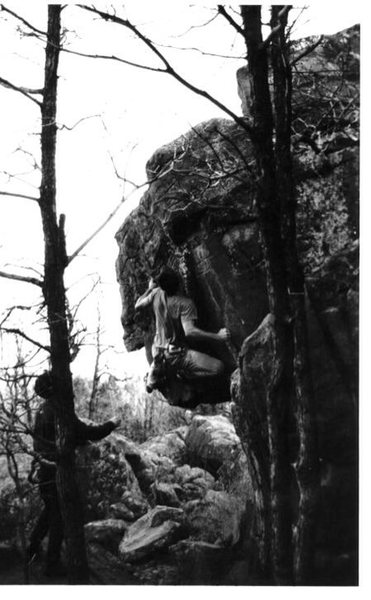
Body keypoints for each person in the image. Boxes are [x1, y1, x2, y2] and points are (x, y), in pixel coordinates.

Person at [28, 371, 121, 577]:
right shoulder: (60, 410)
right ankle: (52, 566)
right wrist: (112, 423)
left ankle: (31, 549)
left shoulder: (42, 410)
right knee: (58, 518)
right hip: (56, 472)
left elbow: (57, 437)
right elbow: (87, 433)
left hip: (44, 471)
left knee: (49, 512)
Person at [135, 267, 230, 393]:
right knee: (218, 367)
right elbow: (190, 331)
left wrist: (149, 288)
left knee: (158, 364)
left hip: (158, 351)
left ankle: (155, 374)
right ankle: (183, 374)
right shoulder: (184, 304)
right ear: (179, 284)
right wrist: (218, 336)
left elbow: (138, 305)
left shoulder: (156, 294)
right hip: (177, 356)